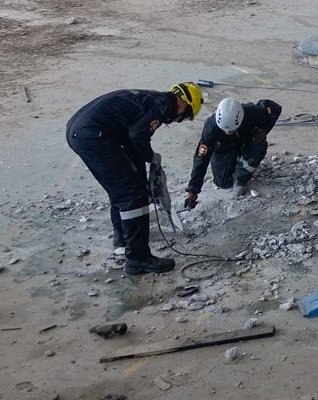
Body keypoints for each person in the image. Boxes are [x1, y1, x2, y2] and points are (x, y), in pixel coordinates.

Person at [66, 82, 203, 276]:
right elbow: (137, 136)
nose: (179, 120)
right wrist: (152, 158)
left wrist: (143, 172)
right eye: (186, 115)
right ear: (183, 104)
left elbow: (132, 141)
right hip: (93, 136)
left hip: (83, 131)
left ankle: (122, 237)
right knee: (132, 194)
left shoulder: (153, 99)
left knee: (123, 186)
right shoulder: (163, 107)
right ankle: (138, 258)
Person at [183, 96, 282, 208]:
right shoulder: (211, 127)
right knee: (222, 183)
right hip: (224, 147)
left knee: (259, 145)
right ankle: (237, 158)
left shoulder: (252, 112)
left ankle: (241, 178)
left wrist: (263, 130)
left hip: (246, 140)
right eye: (225, 129)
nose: (227, 132)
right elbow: (201, 158)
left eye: (231, 129)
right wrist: (192, 191)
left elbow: (274, 108)